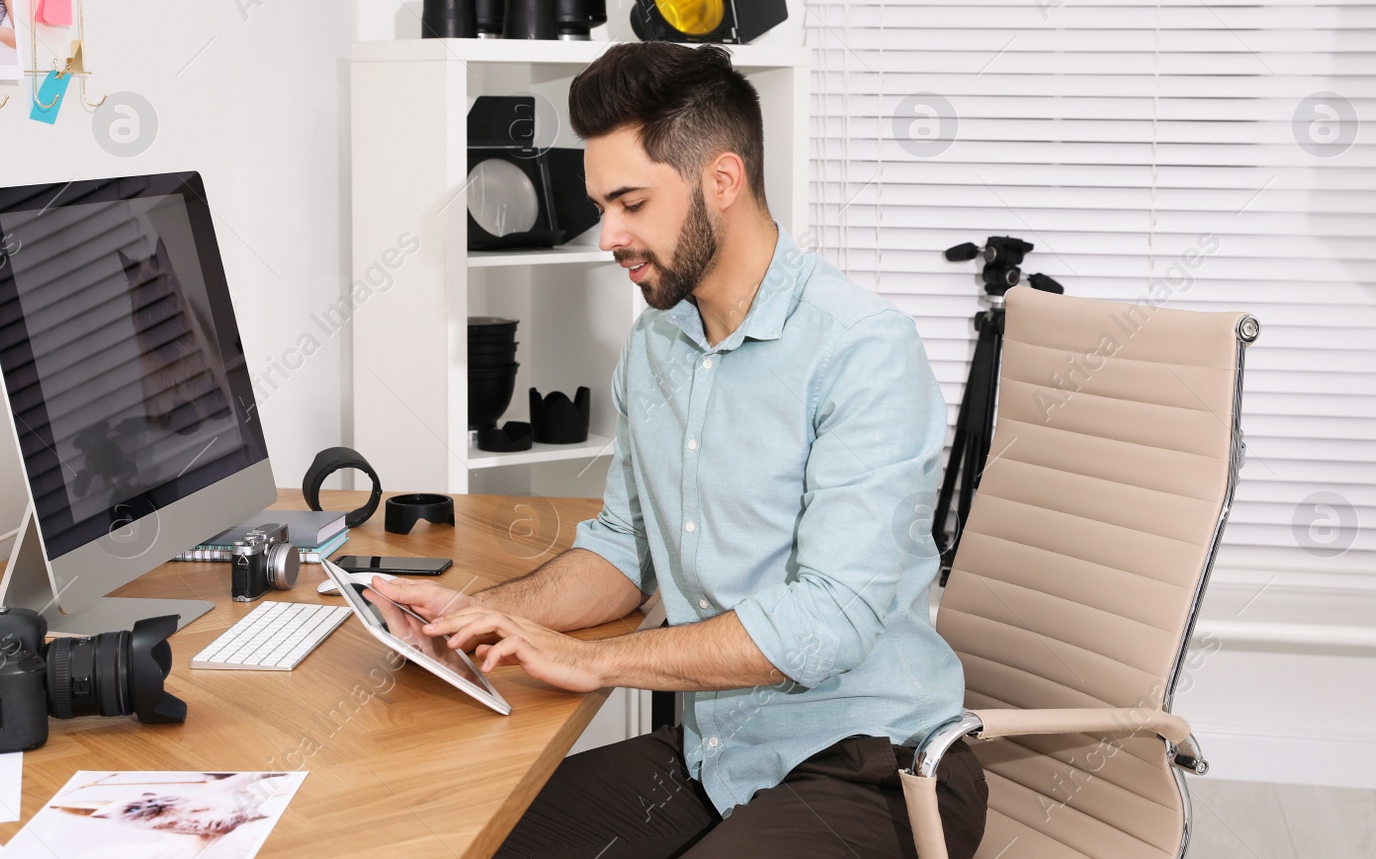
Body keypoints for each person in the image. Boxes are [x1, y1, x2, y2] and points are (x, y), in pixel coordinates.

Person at [376, 42, 987, 858]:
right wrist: (486, 614)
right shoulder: (657, 344)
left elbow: (828, 622)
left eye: (630, 202)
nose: (608, 236)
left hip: (878, 762)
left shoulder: (863, 350)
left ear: (721, 182)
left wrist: (594, 662)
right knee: (468, 837)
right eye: (602, 206)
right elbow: (624, 552)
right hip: (720, 755)